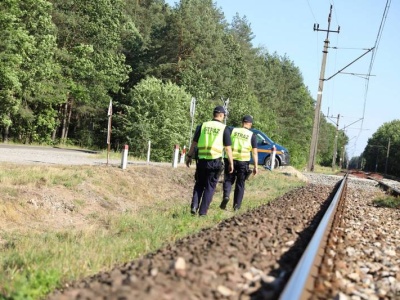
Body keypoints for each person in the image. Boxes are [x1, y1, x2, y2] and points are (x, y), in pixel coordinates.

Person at [185, 106, 234, 216]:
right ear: (221, 115)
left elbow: (194, 142)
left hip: (201, 161)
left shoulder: (203, 125)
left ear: (214, 114)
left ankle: (194, 206)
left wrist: (189, 156)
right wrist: (231, 163)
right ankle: (202, 213)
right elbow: (228, 148)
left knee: (199, 184)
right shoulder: (224, 128)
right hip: (214, 162)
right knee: (210, 187)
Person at [220, 115, 258, 211]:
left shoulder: (233, 130)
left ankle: (226, 195)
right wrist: (255, 167)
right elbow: (254, 152)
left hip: (230, 160)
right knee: (240, 183)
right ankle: (236, 206)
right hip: (243, 162)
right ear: (250, 124)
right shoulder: (252, 135)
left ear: (242, 123)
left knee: (228, 179)